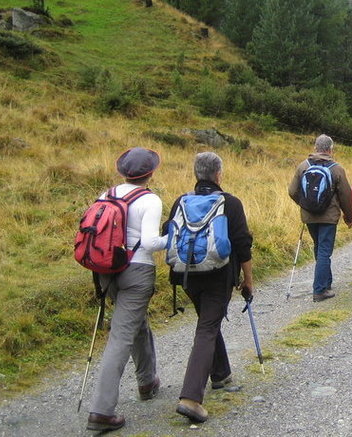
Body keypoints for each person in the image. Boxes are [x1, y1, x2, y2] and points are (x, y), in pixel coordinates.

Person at [168, 152, 254, 423]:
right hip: (218, 276)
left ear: (197, 174)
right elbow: (243, 244)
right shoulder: (230, 203)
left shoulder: (179, 202)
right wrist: (248, 280)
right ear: (219, 175)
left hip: (186, 276)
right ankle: (191, 398)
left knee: (208, 321)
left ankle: (221, 374)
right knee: (207, 327)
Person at [87, 147, 165, 432]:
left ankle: (147, 381)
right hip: (137, 271)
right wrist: (174, 237)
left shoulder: (106, 195)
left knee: (135, 324)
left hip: (106, 270)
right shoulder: (150, 200)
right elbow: (151, 242)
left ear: (123, 172)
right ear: (150, 173)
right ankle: (101, 411)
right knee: (121, 336)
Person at [288, 134, 352, 302]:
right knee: (325, 251)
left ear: (315, 147)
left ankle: (326, 282)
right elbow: (346, 196)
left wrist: (305, 204)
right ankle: (319, 290)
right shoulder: (337, 169)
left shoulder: (303, 166)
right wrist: (349, 216)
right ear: (330, 149)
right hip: (329, 217)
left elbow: (292, 191)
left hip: (309, 216)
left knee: (319, 248)